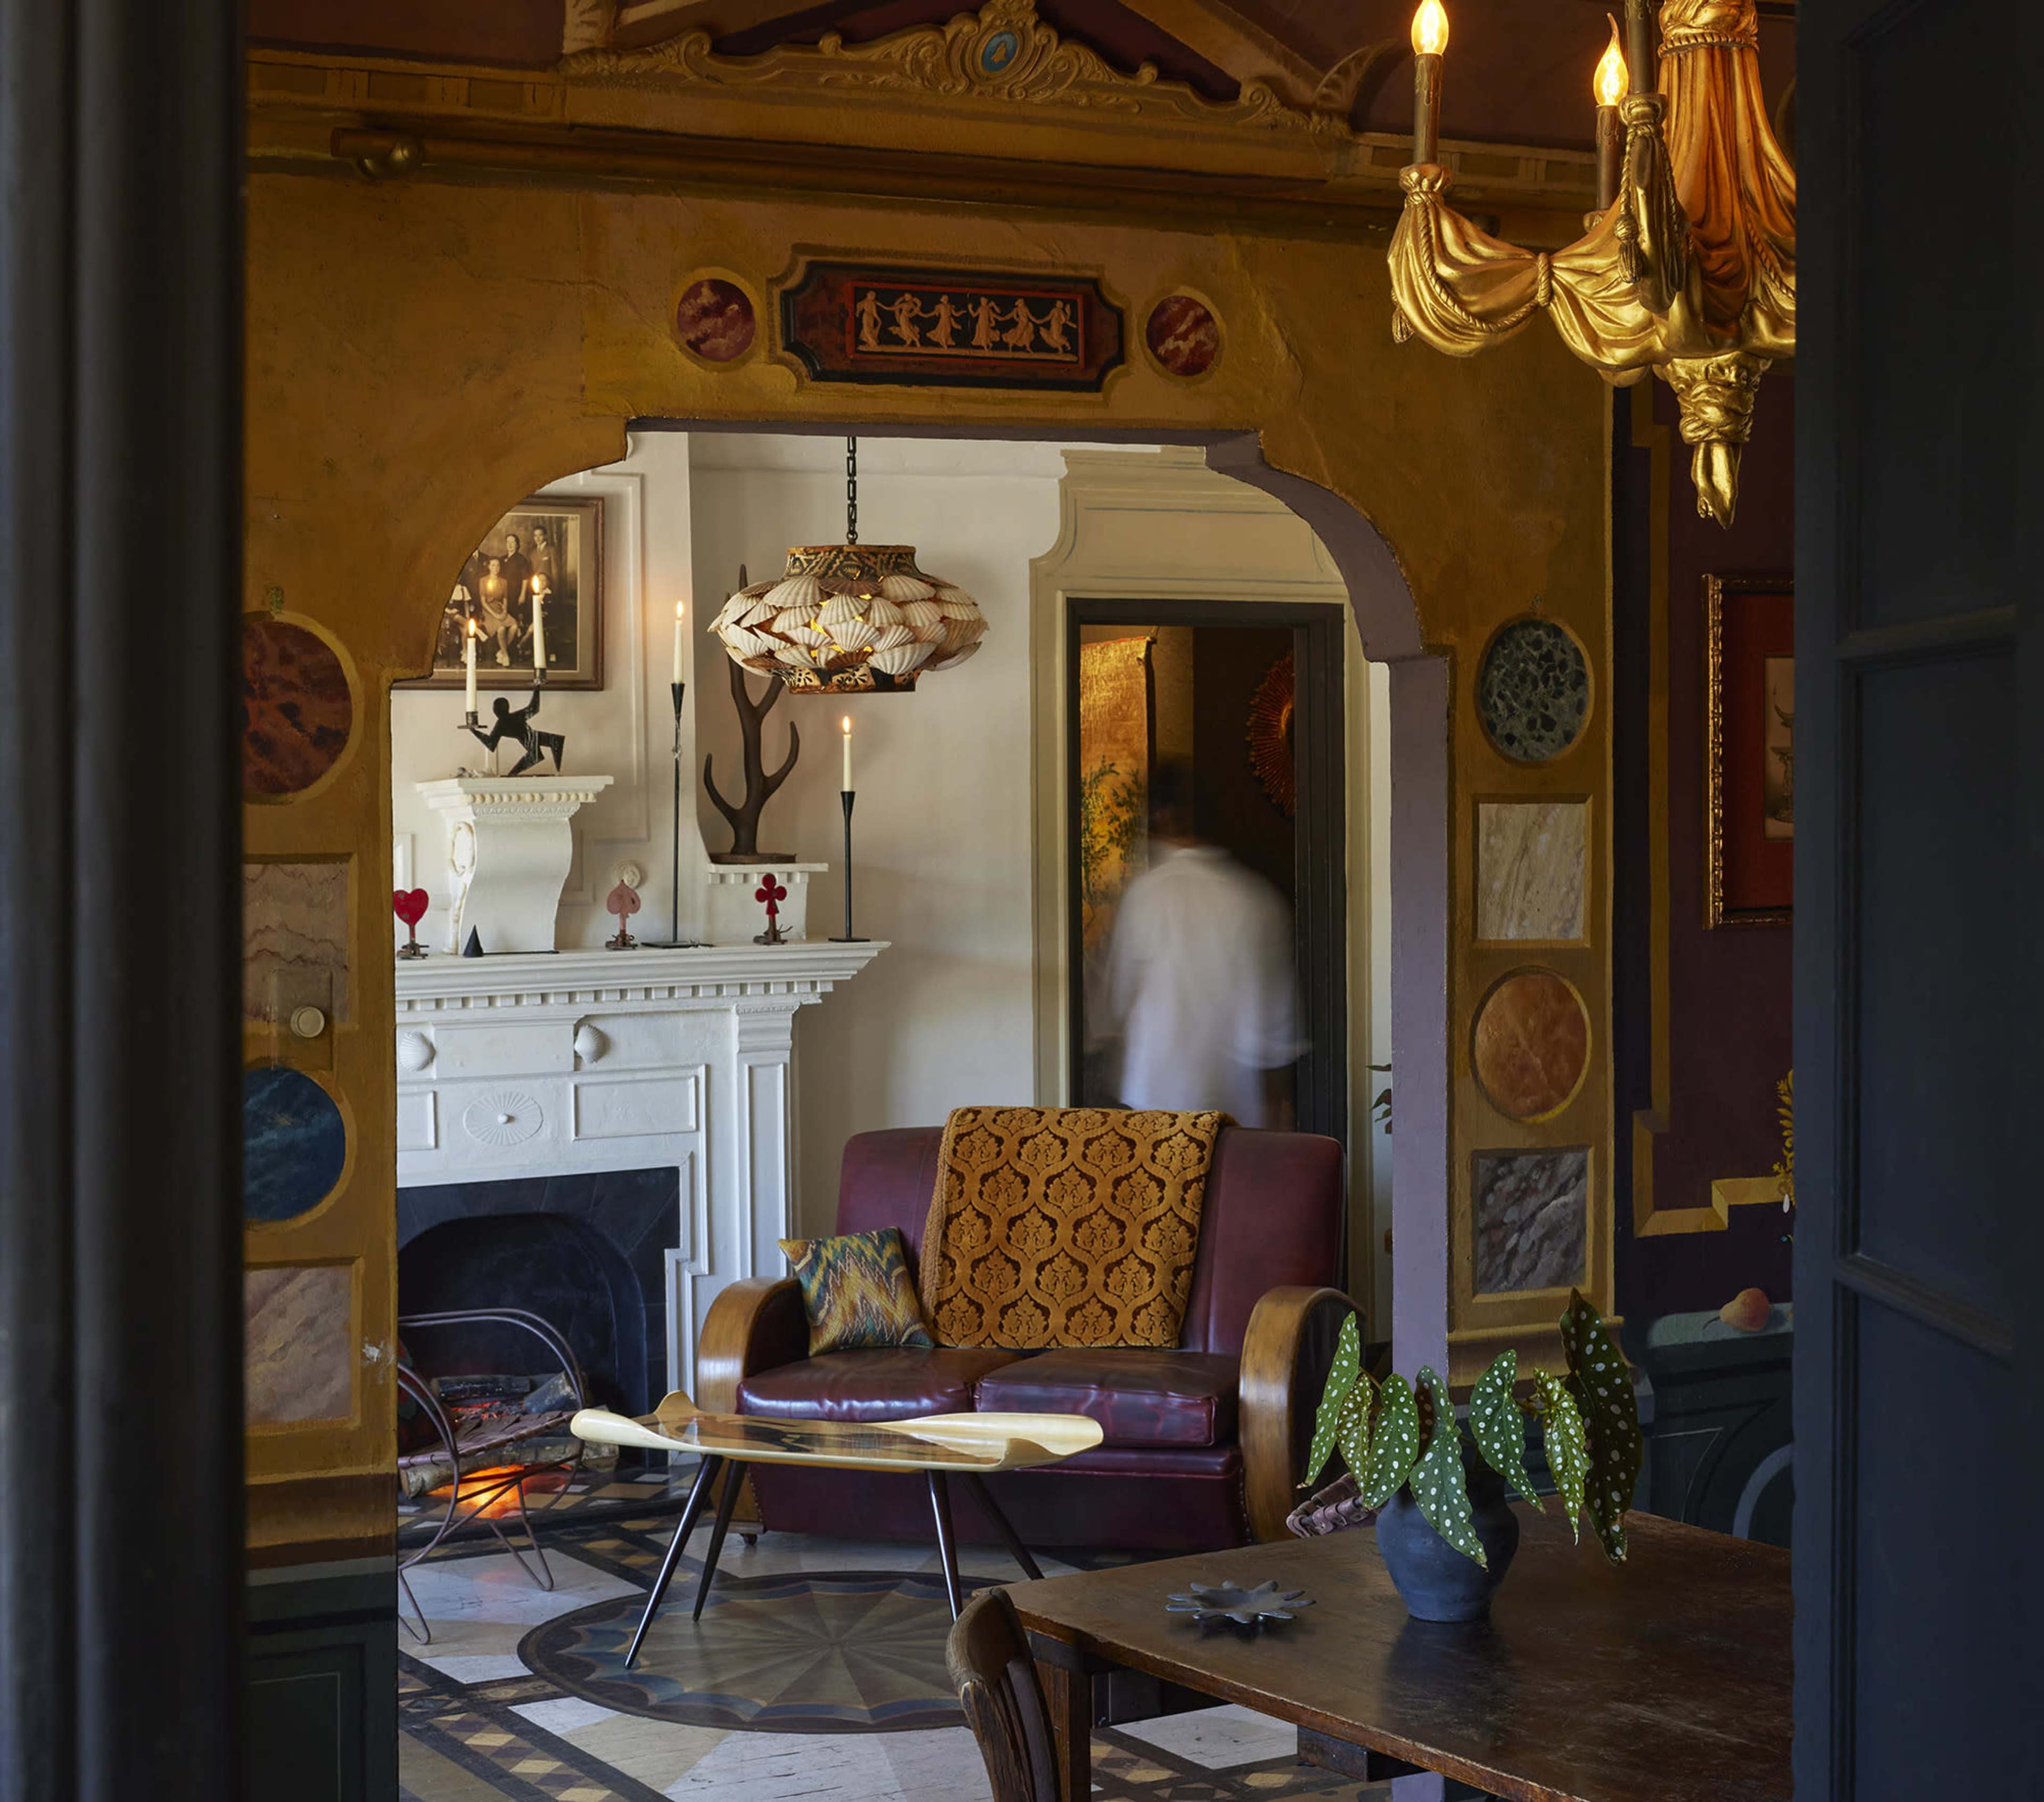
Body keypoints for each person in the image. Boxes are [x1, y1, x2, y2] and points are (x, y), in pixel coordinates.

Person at [1102, 762, 1301, 1127]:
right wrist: (1277, 1112)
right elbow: (1275, 1031)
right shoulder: (1256, 900)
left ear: (1158, 819)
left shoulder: (1144, 897)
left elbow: (1118, 998)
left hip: (1156, 1100)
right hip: (1234, 1102)